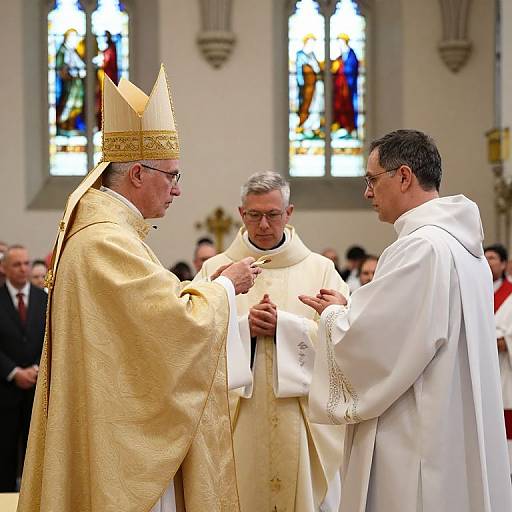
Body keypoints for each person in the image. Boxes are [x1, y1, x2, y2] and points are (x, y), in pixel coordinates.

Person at [18, 66, 261, 512]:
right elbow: (172, 327)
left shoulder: (109, 232)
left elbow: (147, 319)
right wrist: (226, 286)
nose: (178, 190)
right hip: (121, 443)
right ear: (136, 174)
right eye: (172, 176)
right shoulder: (105, 239)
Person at [300, 129, 512, 511]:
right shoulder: (466, 249)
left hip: (416, 438)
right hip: (454, 429)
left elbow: (377, 348)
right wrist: (351, 310)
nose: (367, 192)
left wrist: (334, 316)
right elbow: (411, 329)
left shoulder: (420, 247)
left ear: (403, 176)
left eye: (371, 179)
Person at [196, 171, 348, 512]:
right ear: (241, 213)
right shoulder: (215, 271)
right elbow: (191, 336)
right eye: (254, 215)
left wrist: (285, 326)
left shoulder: (321, 270)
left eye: (273, 214)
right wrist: (242, 329)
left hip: (301, 420)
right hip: (237, 418)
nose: (263, 224)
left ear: (289, 213)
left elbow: (344, 338)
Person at [0, 245, 47, 491]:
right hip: (5, 389)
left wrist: (38, 368)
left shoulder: (45, 299)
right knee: (5, 454)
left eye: (26, 263)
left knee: (36, 453)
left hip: (38, 388)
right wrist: (14, 372)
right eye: (17, 264)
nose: (23, 269)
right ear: (4, 268)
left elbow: (53, 338)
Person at [485, 243, 512, 472]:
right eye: (485, 257)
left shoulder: (510, 295)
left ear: (504, 264)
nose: (488, 261)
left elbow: (506, 341)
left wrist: (485, 341)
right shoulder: (475, 290)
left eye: (492, 257)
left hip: (504, 372)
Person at [296, 34, 320, 132]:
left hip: (313, 85)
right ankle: (303, 124)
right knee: (305, 104)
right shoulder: (300, 54)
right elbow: (299, 70)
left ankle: (313, 126)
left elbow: (317, 68)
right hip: (304, 85)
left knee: (314, 104)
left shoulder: (312, 54)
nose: (312, 45)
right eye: (311, 43)